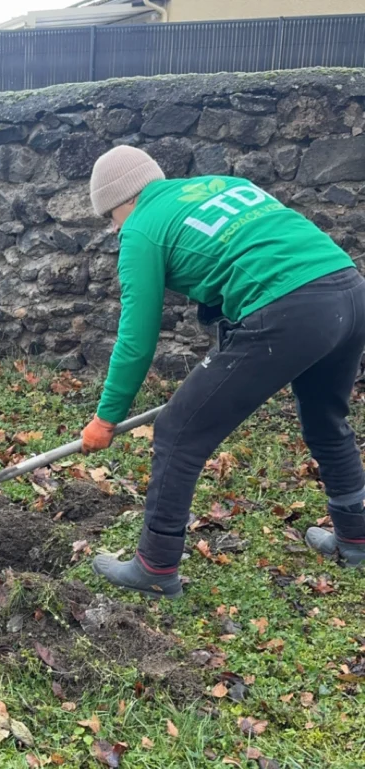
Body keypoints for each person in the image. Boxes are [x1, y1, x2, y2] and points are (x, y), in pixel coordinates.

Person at [80, 145, 365, 599]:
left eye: (109, 218)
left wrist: (106, 417)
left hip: (289, 308)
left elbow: (136, 338)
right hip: (347, 290)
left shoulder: (140, 229)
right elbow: (243, 256)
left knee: (177, 431)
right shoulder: (221, 186)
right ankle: (355, 539)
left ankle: (154, 568)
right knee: (326, 419)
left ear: (120, 202)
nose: (113, 228)